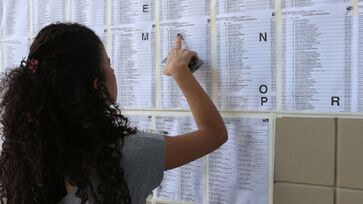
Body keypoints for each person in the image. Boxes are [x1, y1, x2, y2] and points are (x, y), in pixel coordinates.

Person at [0, 23, 227, 204]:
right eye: (109, 64)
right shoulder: (129, 155)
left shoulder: (21, 159)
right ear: (97, 85)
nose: (112, 69)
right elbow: (214, 133)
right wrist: (180, 72)